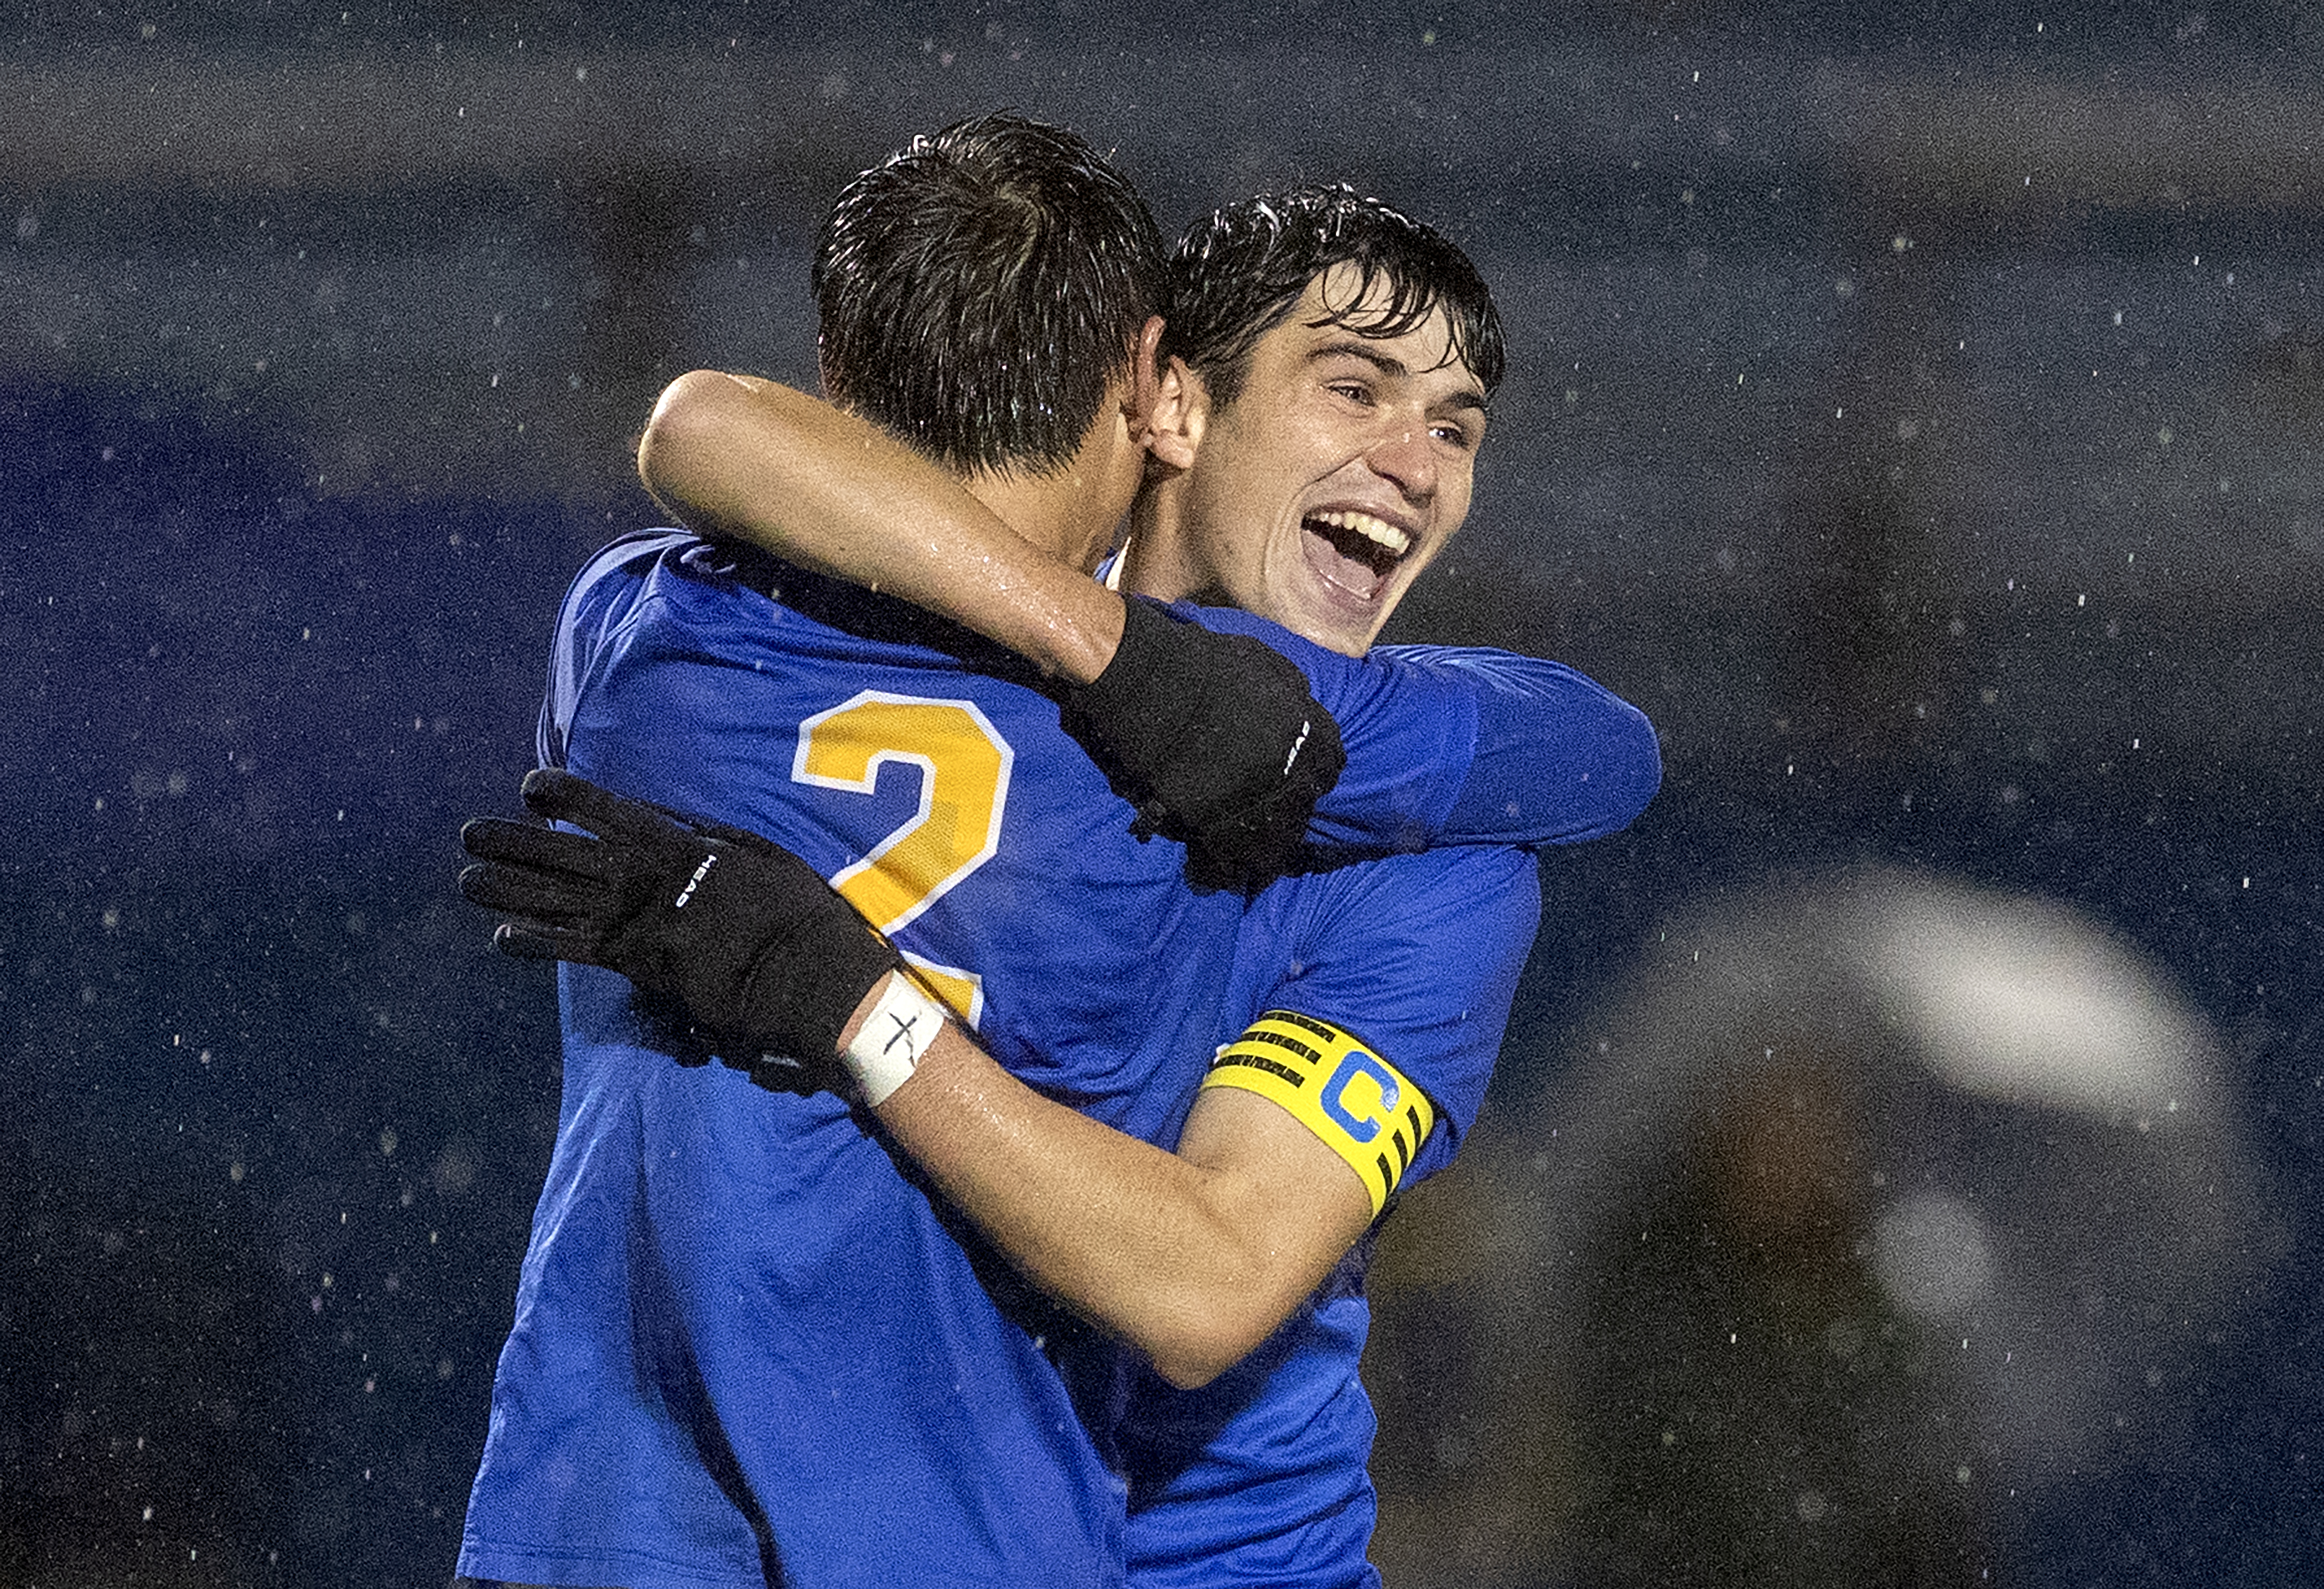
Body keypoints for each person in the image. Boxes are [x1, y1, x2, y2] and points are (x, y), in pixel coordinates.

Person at [456, 120, 1657, 1589]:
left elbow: (701, 427)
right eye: (1354, 389)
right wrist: (1096, 649)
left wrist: (852, 999)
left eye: (1459, 428)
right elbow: (1604, 755)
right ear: (1164, 397)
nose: (1413, 465)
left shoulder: (654, 633)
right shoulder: (1404, 805)